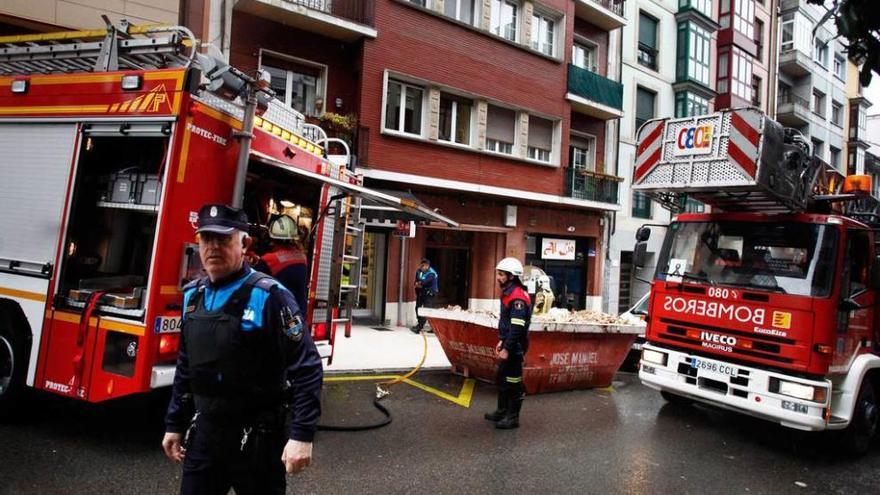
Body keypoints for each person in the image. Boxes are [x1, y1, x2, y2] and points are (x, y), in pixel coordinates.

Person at [161, 204, 323, 495]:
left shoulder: (270, 296)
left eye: (223, 239)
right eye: (206, 239)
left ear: (244, 243)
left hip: (257, 441)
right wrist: (174, 422)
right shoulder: (192, 297)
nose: (213, 248)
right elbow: (186, 366)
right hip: (206, 436)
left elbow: (307, 366)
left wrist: (302, 434)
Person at [484, 257, 532, 429]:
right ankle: (502, 411)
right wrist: (502, 341)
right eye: (498, 273)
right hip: (509, 343)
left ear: (512, 276)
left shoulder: (517, 297)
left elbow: (517, 327)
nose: (498, 277)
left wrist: (508, 348)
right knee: (502, 379)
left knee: (513, 382)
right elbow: (508, 324)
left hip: (515, 347)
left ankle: (513, 418)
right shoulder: (509, 293)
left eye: (502, 274)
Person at [259, 215, 309, 313]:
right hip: (298, 313)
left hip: (277, 316)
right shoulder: (302, 257)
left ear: (271, 239)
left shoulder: (269, 260)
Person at [411, 258, 438, 334]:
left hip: (430, 294)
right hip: (421, 292)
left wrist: (419, 283)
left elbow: (424, 282)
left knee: (427, 310)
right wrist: (418, 283)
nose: (421, 267)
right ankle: (419, 323)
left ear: (427, 266)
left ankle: (419, 327)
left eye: (423, 266)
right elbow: (416, 281)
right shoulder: (419, 271)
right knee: (418, 308)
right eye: (421, 265)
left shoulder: (432, 273)